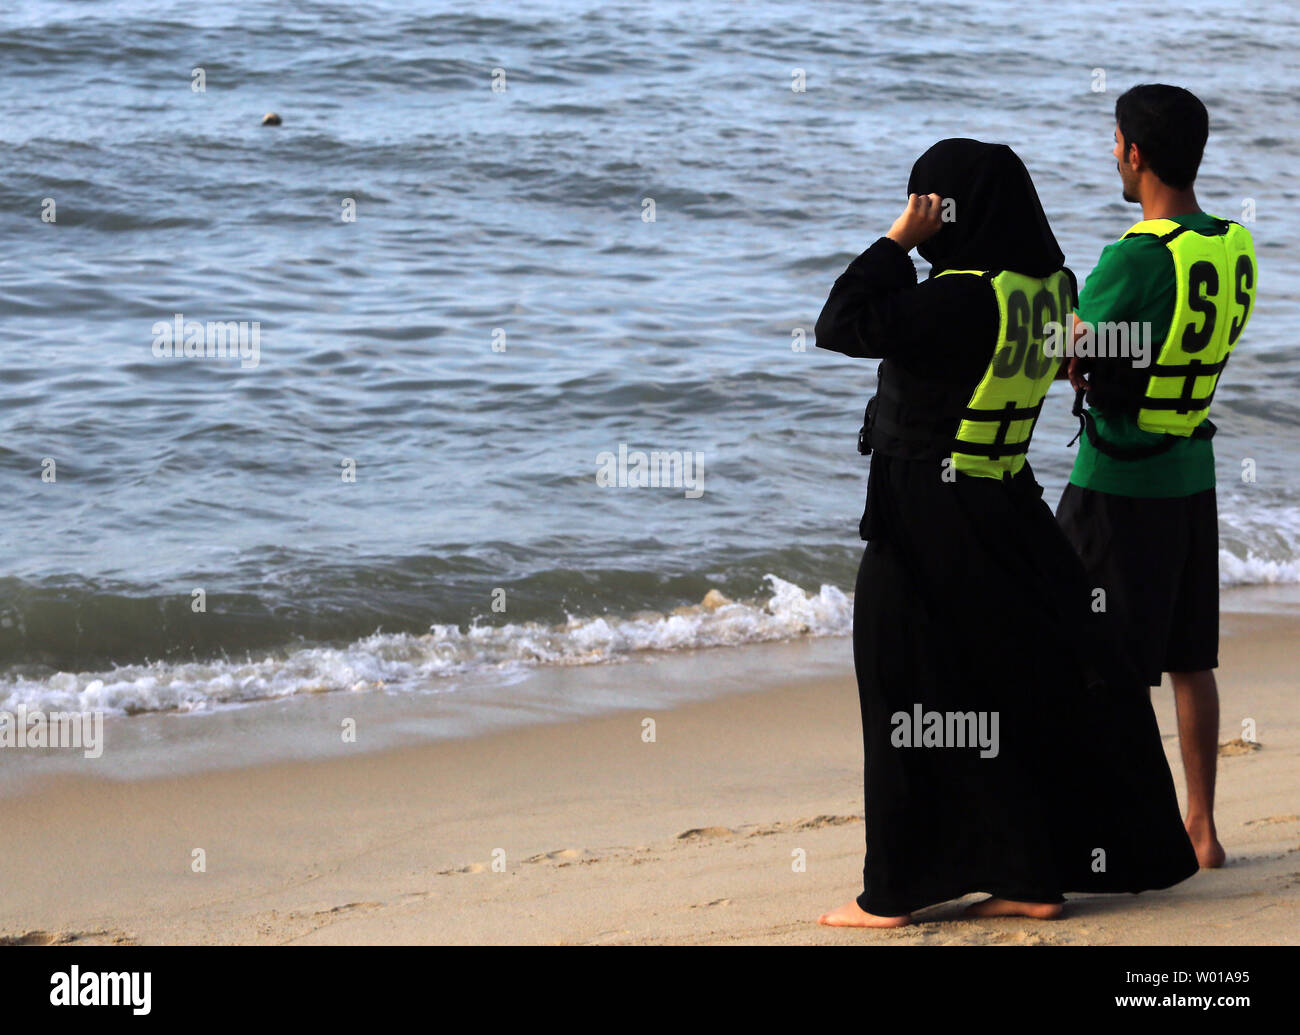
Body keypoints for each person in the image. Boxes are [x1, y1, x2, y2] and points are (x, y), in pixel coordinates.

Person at [814, 138, 1198, 927]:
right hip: (1007, 505)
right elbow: (1086, 357)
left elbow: (841, 323)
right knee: (1008, 685)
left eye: (926, 201)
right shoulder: (1051, 286)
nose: (922, 215)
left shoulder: (961, 295)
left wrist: (895, 241)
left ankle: (891, 892)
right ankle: (1028, 875)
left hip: (928, 513)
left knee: (903, 682)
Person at [1057, 85, 1257, 870]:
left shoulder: (1137, 255)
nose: (1112, 153)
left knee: (1089, 656)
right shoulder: (1232, 243)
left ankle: (1112, 828)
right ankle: (1201, 828)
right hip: (1192, 473)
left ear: (1136, 154)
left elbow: (1068, 351)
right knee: (1188, 658)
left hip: (1118, 480)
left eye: (1115, 143)